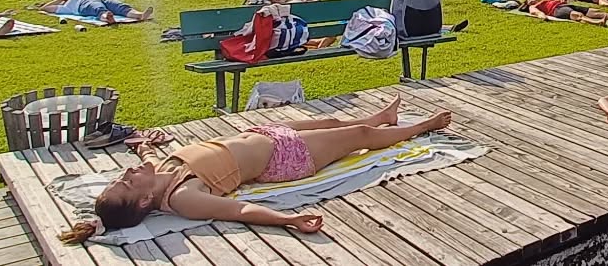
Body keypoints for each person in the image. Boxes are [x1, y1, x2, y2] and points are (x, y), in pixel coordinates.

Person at [57, 98, 450, 244]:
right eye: (126, 183)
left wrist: (144, 145)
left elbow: (146, 160)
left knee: (331, 122)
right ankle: (421, 128)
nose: (125, 173)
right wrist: (288, 219)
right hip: (284, 157)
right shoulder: (183, 197)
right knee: (358, 137)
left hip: (263, 136)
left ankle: (382, 118)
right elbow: (241, 211)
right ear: (145, 200)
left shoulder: (161, 171)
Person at [36, 0, 153, 24]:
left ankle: (140, 15)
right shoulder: (65, 7)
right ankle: (107, 18)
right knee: (98, 9)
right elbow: (45, 8)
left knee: (119, 6)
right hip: (84, 5)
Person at [525, 0, 608, 25]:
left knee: (595, 11)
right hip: (556, 10)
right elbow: (538, 13)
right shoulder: (532, 7)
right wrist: (543, 16)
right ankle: (597, 23)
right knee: (577, 15)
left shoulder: (544, 0)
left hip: (565, 5)